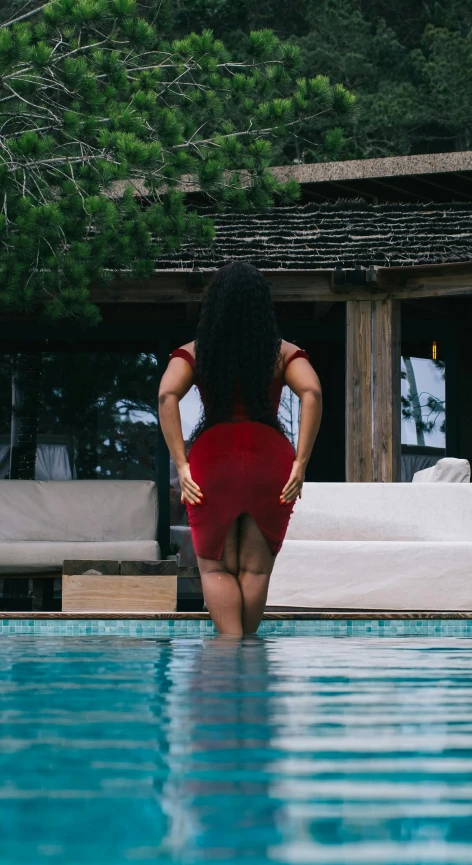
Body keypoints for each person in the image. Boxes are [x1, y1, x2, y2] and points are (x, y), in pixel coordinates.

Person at [158, 261, 322, 635]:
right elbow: (311, 392)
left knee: (216, 567)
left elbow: (167, 394)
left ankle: (228, 651)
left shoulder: (195, 352)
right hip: (270, 460)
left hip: (212, 460)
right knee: (255, 568)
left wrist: (181, 466)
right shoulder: (282, 352)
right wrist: (300, 462)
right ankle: (247, 656)